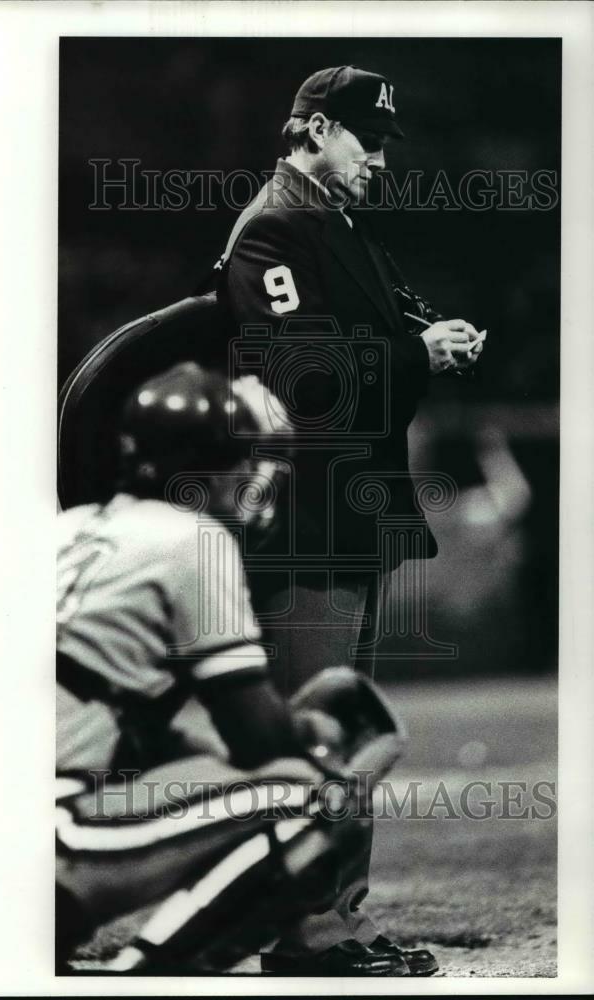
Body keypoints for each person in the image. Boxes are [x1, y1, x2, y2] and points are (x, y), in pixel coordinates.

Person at [216, 65, 487, 976]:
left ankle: (338, 923)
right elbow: (304, 378)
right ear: (314, 129)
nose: (378, 156)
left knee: (347, 732)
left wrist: (424, 340)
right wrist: (416, 350)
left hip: (344, 517)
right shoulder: (275, 228)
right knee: (316, 736)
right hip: (305, 521)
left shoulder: (332, 224)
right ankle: (305, 940)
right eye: (365, 137)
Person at [55, 361, 407, 973]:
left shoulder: (66, 530)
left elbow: (104, 716)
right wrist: (310, 732)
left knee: (186, 764)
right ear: (210, 468)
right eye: (246, 458)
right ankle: (146, 978)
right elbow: (259, 741)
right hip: (51, 834)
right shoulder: (192, 539)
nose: (254, 474)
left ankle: (53, 945)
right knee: (310, 802)